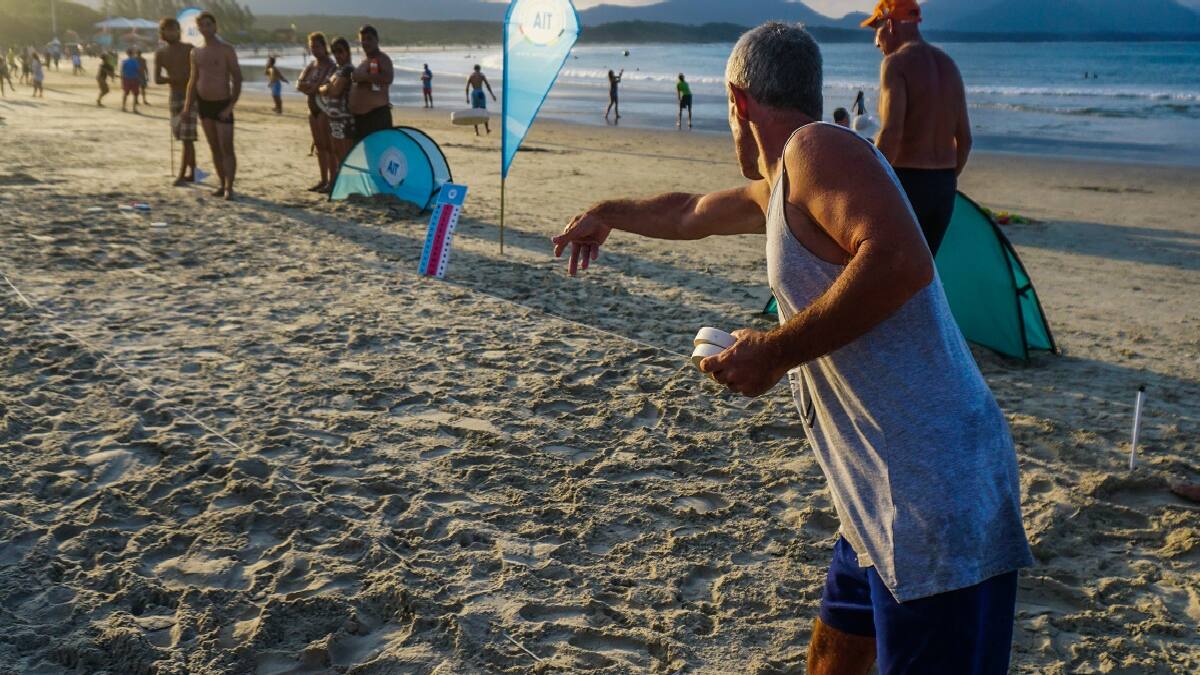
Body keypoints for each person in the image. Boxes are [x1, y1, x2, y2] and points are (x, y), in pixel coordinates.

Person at [551, 22, 1031, 675]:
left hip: (931, 491)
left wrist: (775, 352)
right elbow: (689, 210)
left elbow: (900, 260)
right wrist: (606, 211)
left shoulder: (816, 148)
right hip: (874, 497)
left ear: (738, 100)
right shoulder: (781, 183)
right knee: (831, 659)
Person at [865, 0, 971, 256]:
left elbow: (892, 133)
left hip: (908, 181)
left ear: (890, 25)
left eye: (877, 31)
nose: (876, 43)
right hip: (944, 186)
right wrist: (946, 179)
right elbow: (965, 139)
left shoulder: (896, 63)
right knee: (924, 269)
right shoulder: (949, 65)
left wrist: (869, 183)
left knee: (889, 266)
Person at [184, 11, 242, 200]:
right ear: (198, 28)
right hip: (204, 105)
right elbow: (193, 80)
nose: (205, 28)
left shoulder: (226, 49)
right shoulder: (196, 51)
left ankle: (229, 188)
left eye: (208, 24)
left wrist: (230, 106)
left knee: (227, 148)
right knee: (214, 147)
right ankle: (222, 183)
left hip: (222, 104)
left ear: (215, 26)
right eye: (202, 25)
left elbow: (237, 78)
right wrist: (187, 107)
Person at [155, 17, 198, 186]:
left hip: (190, 96)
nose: (171, 33)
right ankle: (192, 172)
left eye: (174, 29)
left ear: (179, 31)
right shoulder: (161, 53)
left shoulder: (189, 49)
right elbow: (157, 79)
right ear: (163, 33)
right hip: (174, 96)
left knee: (188, 137)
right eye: (168, 30)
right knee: (180, 134)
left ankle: (182, 175)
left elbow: (199, 71)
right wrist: (173, 79)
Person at [296, 33, 337, 192]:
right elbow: (299, 84)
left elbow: (322, 87)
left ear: (324, 46)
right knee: (319, 146)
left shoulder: (330, 65)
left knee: (329, 147)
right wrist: (310, 87)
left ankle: (332, 181)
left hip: (324, 108)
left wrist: (310, 87)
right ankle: (323, 179)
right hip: (312, 107)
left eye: (317, 46)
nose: (314, 50)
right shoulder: (312, 65)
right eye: (312, 47)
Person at [348, 25, 394, 142]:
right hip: (361, 120)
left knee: (379, 151)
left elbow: (388, 77)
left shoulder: (382, 58)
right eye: (363, 39)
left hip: (376, 118)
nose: (365, 42)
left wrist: (364, 77)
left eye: (369, 39)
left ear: (376, 40)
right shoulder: (365, 61)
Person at [319, 37, 357, 171]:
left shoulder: (348, 69)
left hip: (345, 120)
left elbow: (335, 91)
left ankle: (348, 182)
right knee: (338, 155)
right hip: (334, 119)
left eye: (340, 51)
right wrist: (328, 87)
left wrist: (328, 86)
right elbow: (321, 89)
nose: (337, 55)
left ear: (347, 52)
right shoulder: (336, 70)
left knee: (346, 156)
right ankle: (342, 181)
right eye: (334, 51)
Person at [464, 64, 496, 136]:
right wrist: (492, 95)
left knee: (475, 112)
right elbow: (487, 85)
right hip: (480, 93)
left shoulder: (470, 76)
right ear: (479, 69)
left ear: (474, 69)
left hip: (474, 93)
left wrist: (467, 98)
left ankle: (476, 132)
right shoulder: (482, 75)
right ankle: (487, 129)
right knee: (483, 111)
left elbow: (467, 87)